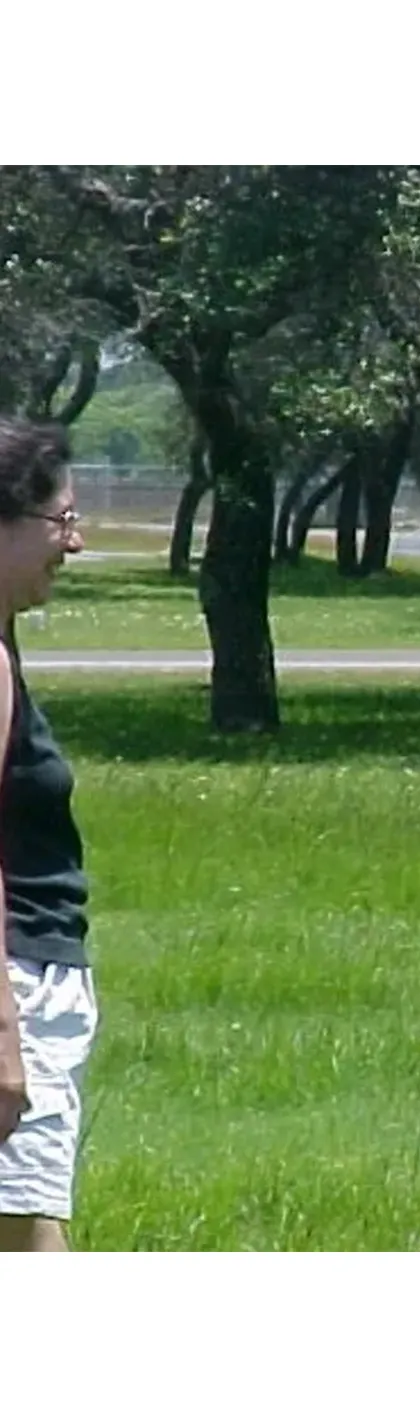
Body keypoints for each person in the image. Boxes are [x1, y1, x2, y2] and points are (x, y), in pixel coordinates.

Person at [0, 416, 94, 1252]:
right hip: (18, 980)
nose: (76, 540)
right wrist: (4, 1037)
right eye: (61, 521)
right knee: (30, 1239)